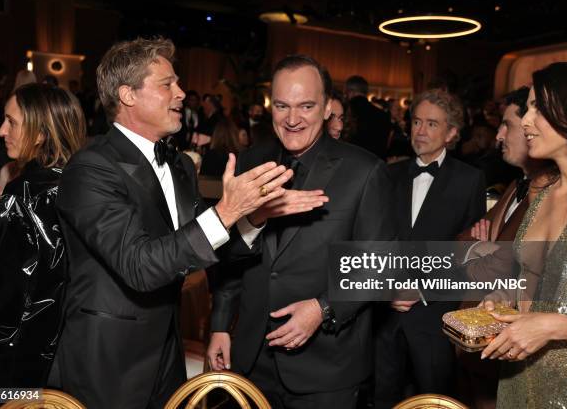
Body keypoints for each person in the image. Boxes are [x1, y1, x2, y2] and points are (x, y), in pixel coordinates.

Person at [49, 37, 292, 409]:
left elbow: (201, 247)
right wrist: (225, 212)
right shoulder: (91, 168)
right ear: (127, 95)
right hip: (109, 359)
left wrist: (252, 218)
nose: (181, 93)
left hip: (166, 347)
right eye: (167, 84)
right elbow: (140, 267)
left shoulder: (178, 165)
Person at [208, 55, 397, 409]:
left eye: (306, 106)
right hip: (250, 357)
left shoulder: (365, 171)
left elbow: (380, 264)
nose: (292, 119)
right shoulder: (250, 163)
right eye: (282, 106)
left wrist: (323, 308)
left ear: (327, 108)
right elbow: (229, 256)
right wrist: (220, 324)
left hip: (327, 367)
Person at [0, 82, 85, 387]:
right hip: (74, 358)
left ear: (41, 132)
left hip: (23, 365)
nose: (1, 131)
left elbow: (8, 298)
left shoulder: (26, 191)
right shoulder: (84, 182)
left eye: (12, 122)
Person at [373, 88, 486, 406]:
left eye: (432, 124)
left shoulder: (469, 180)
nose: (420, 131)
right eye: (417, 122)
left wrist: (421, 289)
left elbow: (470, 255)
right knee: (382, 397)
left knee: (434, 400)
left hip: (433, 316)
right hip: (384, 315)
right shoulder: (386, 174)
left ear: (452, 132)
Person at [480, 62, 567, 409]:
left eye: (538, 107)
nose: (525, 121)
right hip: (521, 380)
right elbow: (532, 282)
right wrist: (502, 297)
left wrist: (556, 327)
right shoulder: (543, 193)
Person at [344, 75, 391, 159]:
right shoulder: (383, 115)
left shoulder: (346, 112)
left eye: (346, 93)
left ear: (350, 92)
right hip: (376, 164)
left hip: (350, 163)